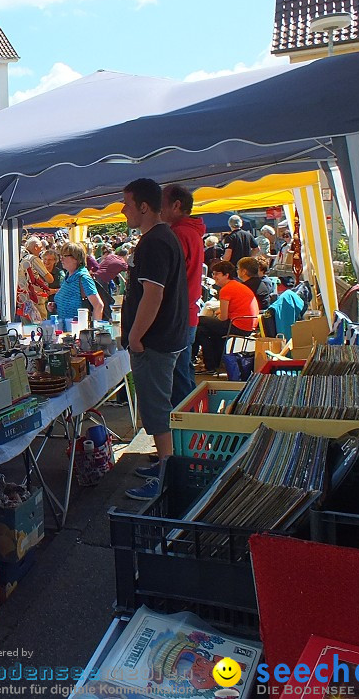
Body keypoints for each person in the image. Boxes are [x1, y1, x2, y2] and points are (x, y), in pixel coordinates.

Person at [119, 179, 188, 502]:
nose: (123, 210)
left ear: (144, 207)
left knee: (158, 411)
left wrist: (135, 336)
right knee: (158, 408)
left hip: (155, 341)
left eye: (127, 204)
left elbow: (154, 294)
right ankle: (164, 467)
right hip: (163, 338)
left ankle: (166, 476)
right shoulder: (161, 238)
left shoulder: (155, 241)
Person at [161, 184, 206, 409]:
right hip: (187, 313)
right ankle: (193, 427)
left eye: (162, 202)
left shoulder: (178, 233)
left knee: (178, 380)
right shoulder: (190, 232)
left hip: (179, 315)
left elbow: (167, 279)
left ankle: (186, 433)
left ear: (176, 205)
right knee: (184, 373)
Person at [196, 261, 259, 375]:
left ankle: (204, 363)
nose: (214, 277)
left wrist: (218, 315)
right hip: (247, 325)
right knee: (202, 330)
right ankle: (210, 365)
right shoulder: (237, 286)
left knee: (198, 321)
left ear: (226, 275)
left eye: (216, 274)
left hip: (237, 325)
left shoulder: (226, 289)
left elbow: (223, 318)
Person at [50, 242, 104, 326]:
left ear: (76, 258)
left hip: (78, 332)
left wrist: (94, 331)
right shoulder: (68, 276)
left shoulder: (83, 278)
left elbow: (98, 305)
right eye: (61, 255)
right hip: (66, 330)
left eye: (65, 256)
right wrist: (55, 305)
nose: (61, 259)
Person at [17, 237, 53, 324]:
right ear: (36, 247)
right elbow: (49, 279)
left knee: (27, 329)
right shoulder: (33, 258)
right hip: (36, 299)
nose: (41, 250)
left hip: (22, 299)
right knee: (40, 328)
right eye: (40, 248)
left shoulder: (19, 257)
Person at [95, 245, 129, 321]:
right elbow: (130, 271)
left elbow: (112, 268)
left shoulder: (111, 256)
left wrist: (123, 279)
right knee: (105, 300)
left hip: (96, 277)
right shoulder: (122, 263)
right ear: (125, 256)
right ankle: (107, 319)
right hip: (103, 280)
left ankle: (104, 317)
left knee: (101, 299)